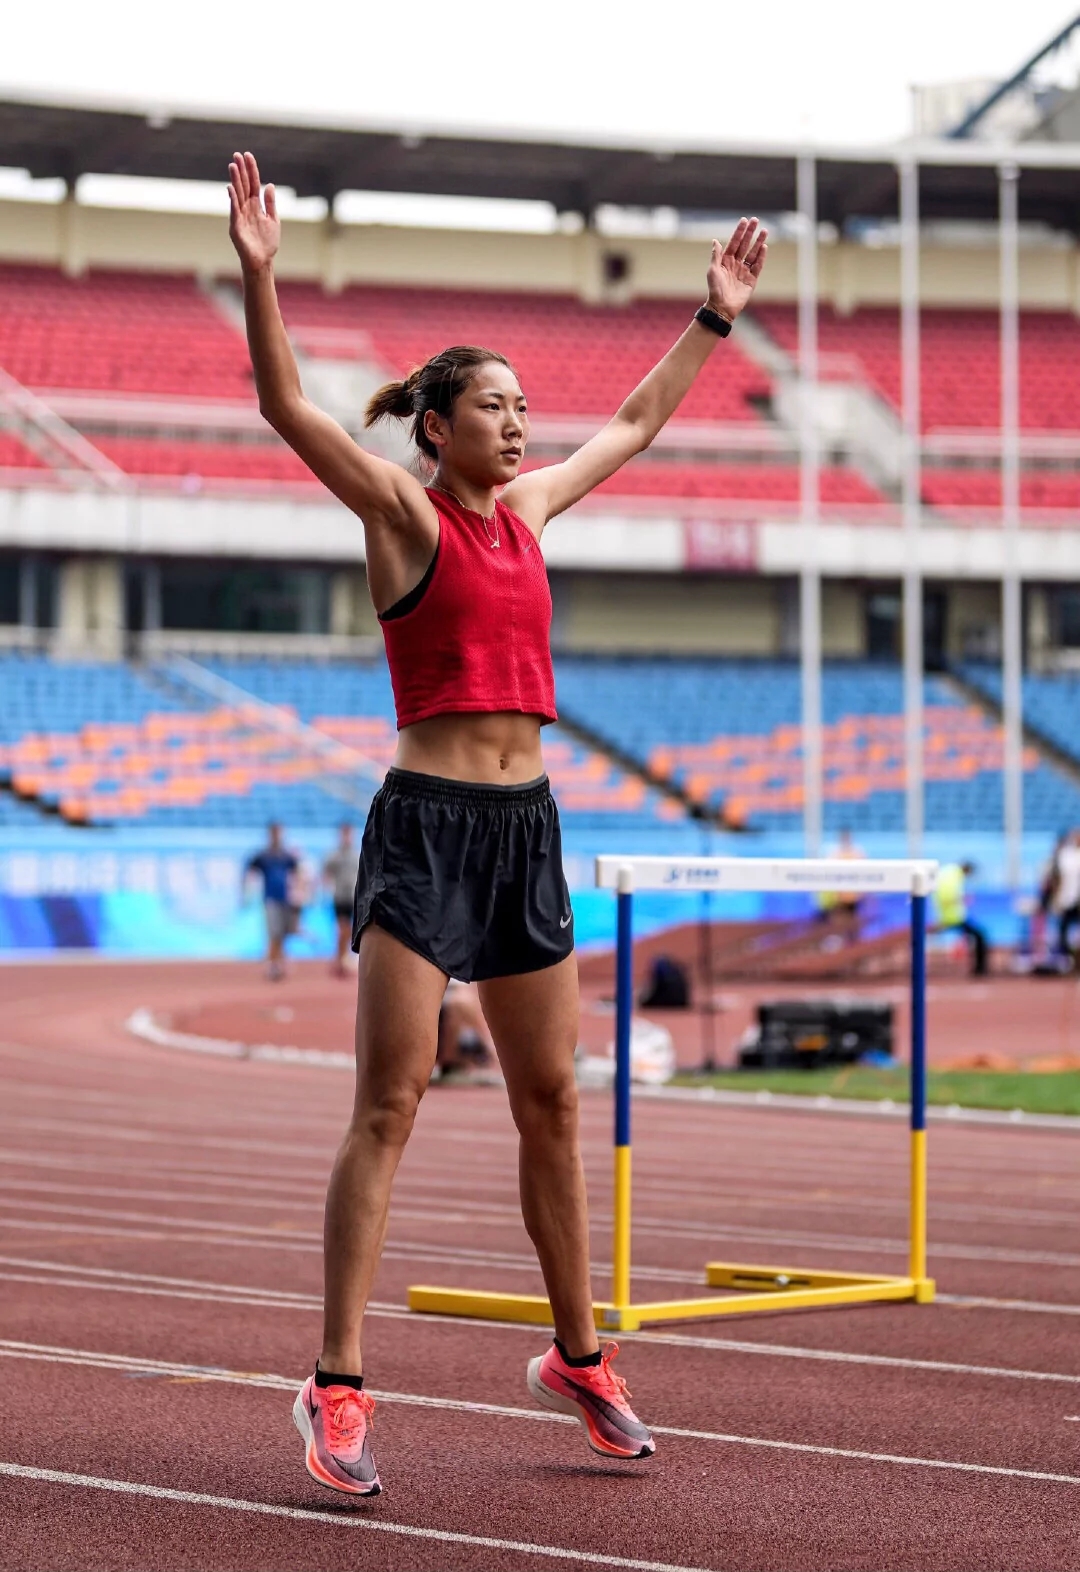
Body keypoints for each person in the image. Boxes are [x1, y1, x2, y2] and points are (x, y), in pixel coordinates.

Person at [227, 148, 767, 1496]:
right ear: (439, 425)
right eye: (496, 407)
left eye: (526, 408)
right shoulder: (403, 516)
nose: (521, 427)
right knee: (390, 1105)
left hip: (525, 831)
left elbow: (636, 425)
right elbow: (286, 404)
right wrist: (261, 276)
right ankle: (336, 1383)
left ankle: (578, 1357)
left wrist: (711, 318)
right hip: (422, 832)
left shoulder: (530, 512)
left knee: (549, 1105)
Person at [244, 821, 299, 982]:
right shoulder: (264, 855)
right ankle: (273, 964)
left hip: (285, 898)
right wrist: (247, 892)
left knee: (282, 932)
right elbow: (250, 871)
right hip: (271, 899)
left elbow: (297, 873)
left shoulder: (286, 855)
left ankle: (278, 962)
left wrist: (297, 893)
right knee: (274, 932)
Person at [933, 860, 988, 977]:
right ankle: (980, 969)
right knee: (980, 935)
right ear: (967, 870)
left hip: (951, 917)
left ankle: (979, 969)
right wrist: (962, 899)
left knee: (978, 934)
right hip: (952, 918)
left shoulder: (950, 873)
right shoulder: (953, 876)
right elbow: (947, 898)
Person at [323, 823, 358, 978]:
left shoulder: (357, 855)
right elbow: (326, 873)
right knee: (342, 928)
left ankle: (341, 958)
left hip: (353, 896)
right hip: (340, 897)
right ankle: (341, 959)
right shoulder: (334, 856)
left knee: (348, 929)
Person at [1051, 827, 1080, 961]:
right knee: (1063, 928)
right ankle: (1068, 957)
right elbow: (1058, 878)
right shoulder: (1066, 855)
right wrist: (1057, 897)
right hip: (1067, 897)